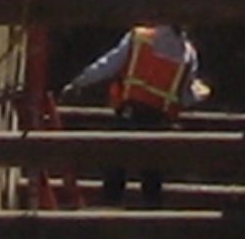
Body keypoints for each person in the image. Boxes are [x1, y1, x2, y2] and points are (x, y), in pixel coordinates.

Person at [61, 22, 209, 210]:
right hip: (158, 120)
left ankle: (108, 217)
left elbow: (107, 65)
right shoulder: (188, 54)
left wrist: (79, 83)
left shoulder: (139, 38)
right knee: (152, 176)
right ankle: (151, 222)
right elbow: (186, 97)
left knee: (116, 170)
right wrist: (202, 92)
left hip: (129, 113)